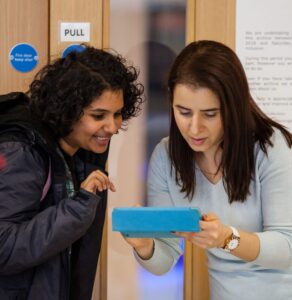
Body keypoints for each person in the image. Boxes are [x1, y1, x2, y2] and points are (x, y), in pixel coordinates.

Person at [124, 40, 292, 300]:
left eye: (210, 114)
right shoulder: (165, 158)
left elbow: (287, 247)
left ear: (234, 107)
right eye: (184, 112)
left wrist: (227, 238)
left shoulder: (271, 147)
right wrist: (145, 245)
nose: (194, 128)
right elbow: (165, 259)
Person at [0, 45, 143, 300]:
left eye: (118, 114)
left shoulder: (84, 151)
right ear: (68, 110)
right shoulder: (21, 150)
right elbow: (4, 248)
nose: (112, 127)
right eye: (99, 115)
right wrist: (78, 208)